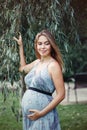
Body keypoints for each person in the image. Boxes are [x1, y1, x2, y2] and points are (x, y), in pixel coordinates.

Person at [13, 30, 65, 130]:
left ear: (51, 45)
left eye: (46, 43)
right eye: (39, 44)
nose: (42, 47)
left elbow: (61, 95)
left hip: (43, 114)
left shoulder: (53, 66)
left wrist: (41, 113)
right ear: (36, 45)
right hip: (30, 116)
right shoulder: (37, 62)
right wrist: (20, 46)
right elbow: (22, 69)